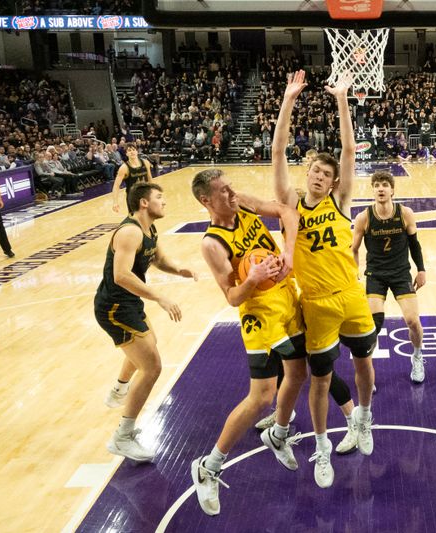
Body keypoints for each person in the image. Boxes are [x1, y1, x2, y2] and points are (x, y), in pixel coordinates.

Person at [272, 70, 376, 488]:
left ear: (333, 182)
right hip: (315, 302)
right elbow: (278, 150)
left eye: (325, 173)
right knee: (320, 379)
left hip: (351, 293)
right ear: (307, 172)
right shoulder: (290, 205)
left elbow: (349, 150)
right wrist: (288, 100)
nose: (318, 175)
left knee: (365, 363)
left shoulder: (342, 202)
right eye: (313, 169)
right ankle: (321, 447)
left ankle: (364, 420)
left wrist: (342, 100)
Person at [188, 168, 307, 516]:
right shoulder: (212, 244)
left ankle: (278, 434)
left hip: (287, 301)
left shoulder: (244, 205)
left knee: (298, 374)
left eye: (230, 187)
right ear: (206, 201)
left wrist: (287, 250)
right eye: (222, 192)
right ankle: (208, 466)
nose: (231, 193)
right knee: (262, 397)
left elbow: (288, 212)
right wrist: (252, 279)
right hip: (259, 318)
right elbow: (233, 298)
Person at [96, 182, 197, 463]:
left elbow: (158, 259)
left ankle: (119, 388)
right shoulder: (129, 231)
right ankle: (122, 436)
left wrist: (179, 270)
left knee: (148, 345)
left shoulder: (149, 229)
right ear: (143, 202)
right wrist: (160, 298)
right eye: (159, 198)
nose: (164, 202)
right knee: (152, 367)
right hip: (115, 307)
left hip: (129, 303)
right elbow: (121, 276)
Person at [351, 171, 426, 383]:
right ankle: (367, 374)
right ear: (373, 190)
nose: (380, 188)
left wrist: (421, 270)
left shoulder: (405, 213)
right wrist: (354, 274)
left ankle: (418, 356)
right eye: (376, 185)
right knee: (374, 324)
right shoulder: (364, 217)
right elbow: (354, 249)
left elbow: (414, 244)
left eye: (384, 184)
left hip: (401, 273)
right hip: (376, 274)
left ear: (392, 190)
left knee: (412, 320)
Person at [111, 143, 153, 213]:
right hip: (133, 199)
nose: (132, 152)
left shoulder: (146, 163)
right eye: (129, 150)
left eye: (133, 150)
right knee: (135, 222)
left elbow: (150, 179)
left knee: (148, 221)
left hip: (146, 196)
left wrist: (153, 194)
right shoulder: (124, 168)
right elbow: (116, 185)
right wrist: (115, 202)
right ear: (126, 153)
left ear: (137, 151)